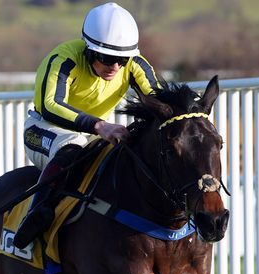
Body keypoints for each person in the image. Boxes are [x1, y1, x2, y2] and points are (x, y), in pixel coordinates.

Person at [13, 2, 162, 249]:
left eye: (122, 60)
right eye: (107, 58)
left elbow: (160, 101)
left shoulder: (134, 64)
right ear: (89, 50)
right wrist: (99, 126)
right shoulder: (64, 59)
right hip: (44, 131)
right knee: (74, 145)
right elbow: (50, 105)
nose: (114, 66)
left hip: (93, 135)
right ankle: (37, 214)